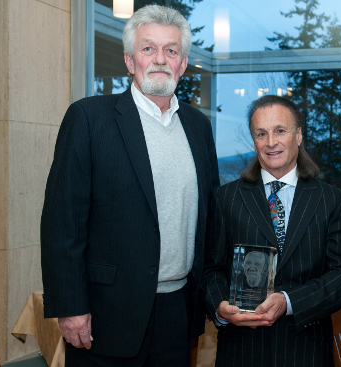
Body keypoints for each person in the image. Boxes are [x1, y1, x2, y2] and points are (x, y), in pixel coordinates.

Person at [40, 5, 219, 367]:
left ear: (182, 64)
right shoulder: (89, 118)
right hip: (106, 313)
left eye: (171, 50)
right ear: (129, 60)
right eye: (147, 48)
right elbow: (62, 222)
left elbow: (210, 218)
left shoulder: (198, 127)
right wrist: (71, 307)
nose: (159, 59)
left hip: (178, 311)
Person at [203, 95, 341, 367]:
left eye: (280, 131)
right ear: (254, 140)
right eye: (261, 133)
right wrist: (220, 306)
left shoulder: (331, 200)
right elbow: (210, 269)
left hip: (305, 351)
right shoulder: (226, 198)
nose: (271, 142)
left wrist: (289, 302)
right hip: (241, 351)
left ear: (298, 135)